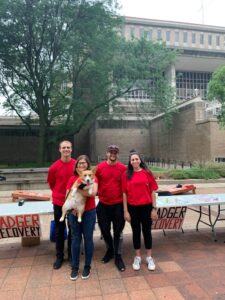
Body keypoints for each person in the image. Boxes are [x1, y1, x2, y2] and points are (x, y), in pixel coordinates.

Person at [122, 149, 158, 271]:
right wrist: (126, 211)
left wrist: (154, 208)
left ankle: (149, 257)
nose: (135, 161)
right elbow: (124, 194)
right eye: (132, 159)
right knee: (136, 232)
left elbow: (153, 191)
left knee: (147, 232)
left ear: (140, 160)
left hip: (147, 207)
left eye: (136, 159)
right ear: (130, 162)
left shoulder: (147, 173)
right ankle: (137, 257)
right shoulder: (126, 175)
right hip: (133, 208)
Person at [96, 145, 127, 271]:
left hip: (118, 204)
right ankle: (110, 249)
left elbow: (126, 188)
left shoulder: (122, 168)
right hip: (103, 204)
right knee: (104, 230)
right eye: (110, 152)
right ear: (106, 153)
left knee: (118, 231)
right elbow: (92, 182)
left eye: (115, 152)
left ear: (117, 154)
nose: (113, 154)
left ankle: (118, 256)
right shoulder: (99, 167)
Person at [67, 155, 98, 281]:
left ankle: (87, 266)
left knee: (88, 239)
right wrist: (72, 208)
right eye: (79, 163)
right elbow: (68, 195)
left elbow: (93, 193)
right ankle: (75, 267)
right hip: (74, 212)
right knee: (75, 239)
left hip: (89, 212)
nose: (82, 165)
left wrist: (77, 189)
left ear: (87, 165)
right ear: (77, 167)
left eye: (84, 163)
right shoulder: (72, 179)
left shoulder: (93, 178)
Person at [47, 140, 76, 269]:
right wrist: (60, 195)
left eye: (68, 147)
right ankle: (59, 256)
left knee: (72, 230)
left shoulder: (76, 165)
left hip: (72, 203)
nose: (66, 149)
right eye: (63, 147)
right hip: (59, 203)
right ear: (59, 150)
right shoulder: (54, 167)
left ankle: (71, 255)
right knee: (59, 230)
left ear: (71, 149)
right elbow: (52, 184)